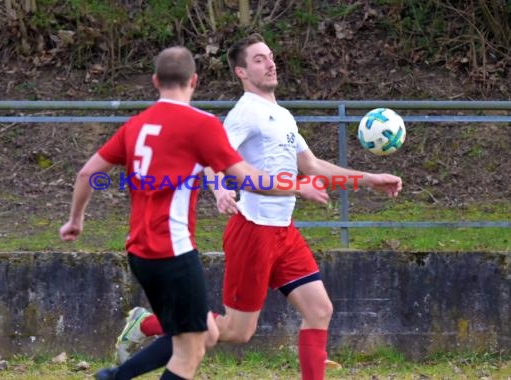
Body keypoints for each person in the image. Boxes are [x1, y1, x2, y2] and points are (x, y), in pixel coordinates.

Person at [96, 35, 403, 380]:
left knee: (319, 310)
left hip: (284, 232)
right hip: (253, 230)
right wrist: (219, 189)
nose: (270, 63)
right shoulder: (245, 113)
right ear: (241, 71)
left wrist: (370, 178)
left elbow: (312, 166)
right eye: (259, 59)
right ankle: (146, 327)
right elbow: (212, 155)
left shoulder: (283, 116)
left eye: (270, 57)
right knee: (235, 330)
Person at [60, 45, 330, 380]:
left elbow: (87, 174)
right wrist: (296, 186)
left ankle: (118, 370)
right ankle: (115, 375)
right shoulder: (200, 124)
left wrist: (76, 220)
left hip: (138, 253)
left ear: (155, 81)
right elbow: (247, 177)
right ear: (195, 81)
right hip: (174, 252)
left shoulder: (136, 126)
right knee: (191, 349)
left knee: (206, 333)